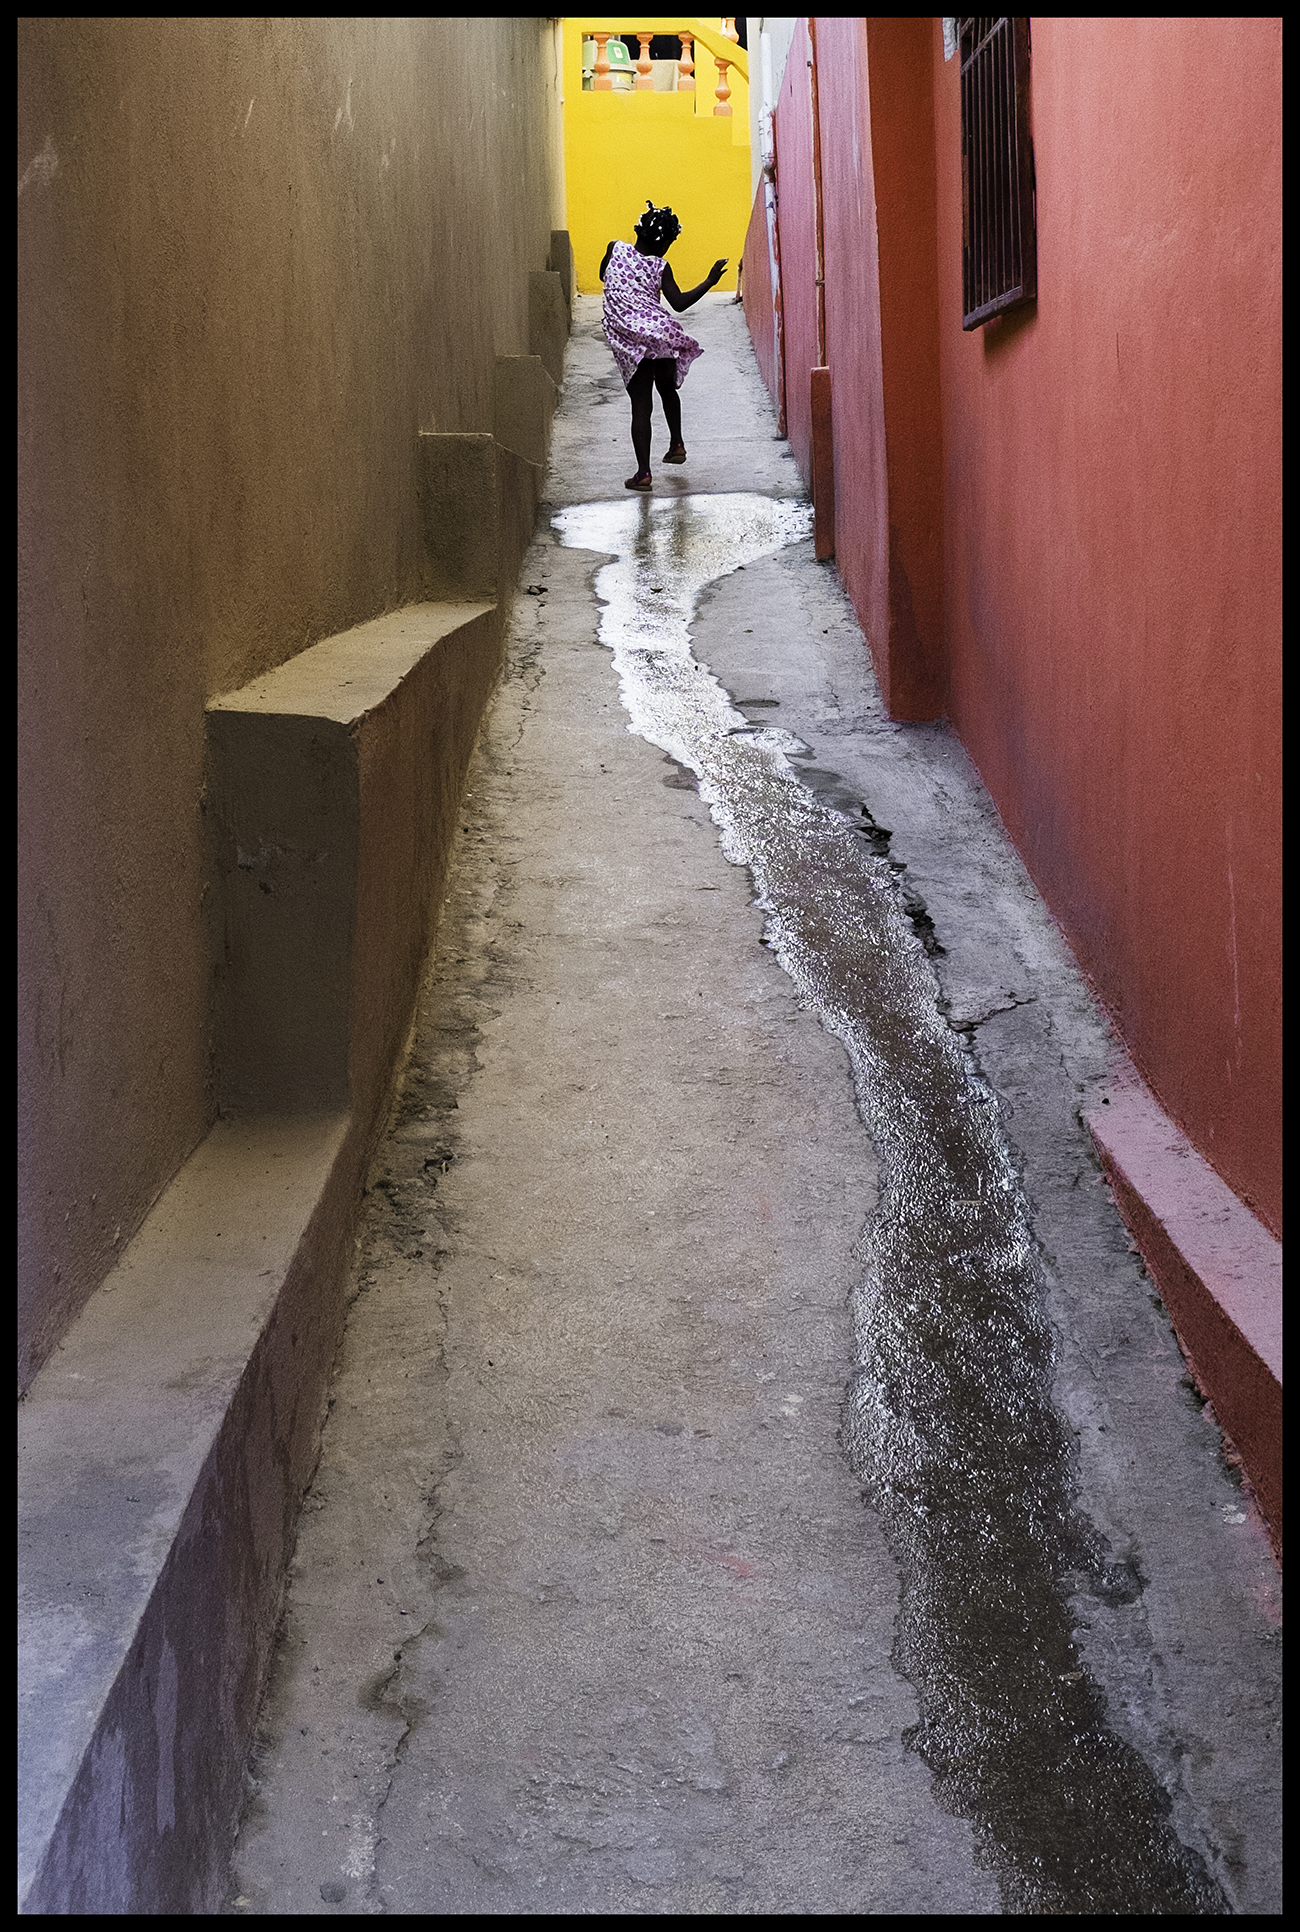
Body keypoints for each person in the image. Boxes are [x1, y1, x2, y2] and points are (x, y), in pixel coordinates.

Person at [599, 203, 728, 490]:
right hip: (661, 332)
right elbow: (679, 303)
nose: (668, 249)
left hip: (631, 338)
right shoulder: (661, 266)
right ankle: (677, 443)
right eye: (669, 243)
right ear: (663, 242)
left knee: (641, 405)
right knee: (667, 388)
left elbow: (603, 276)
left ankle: (643, 474)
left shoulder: (615, 249)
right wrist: (710, 280)